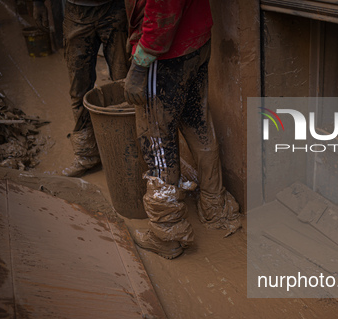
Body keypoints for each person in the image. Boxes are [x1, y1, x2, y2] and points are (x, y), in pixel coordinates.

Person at [124, 0, 241, 259]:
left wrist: (140, 64)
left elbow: (162, 10)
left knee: (157, 144)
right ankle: (215, 207)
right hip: (195, 41)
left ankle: (167, 235)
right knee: (198, 125)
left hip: (165, 54)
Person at [33, 0, 130, 177]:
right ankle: (87, 155)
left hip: (114, 8)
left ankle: (128, 151)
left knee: (123, 85)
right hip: (76, 12)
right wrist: (38, 3)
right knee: (79, 88)